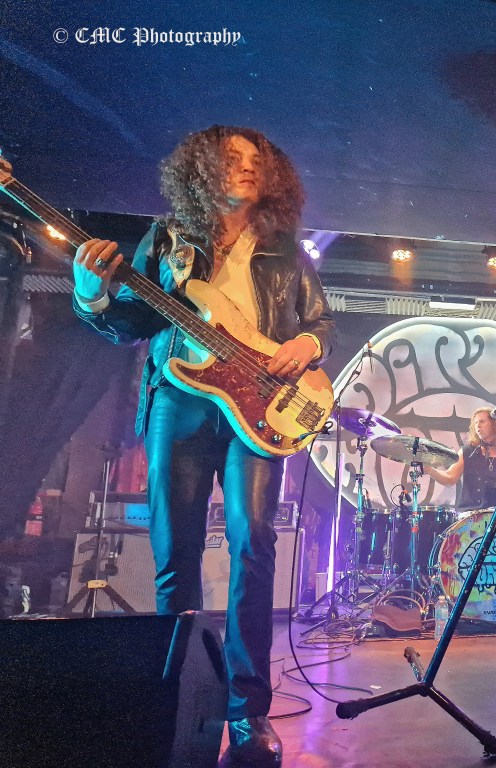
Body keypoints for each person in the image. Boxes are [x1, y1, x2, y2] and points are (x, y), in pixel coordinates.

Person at [72, 126, 335, 768]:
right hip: (180, 399)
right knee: (175, 553)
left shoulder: (283, 247)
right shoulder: (168, 239)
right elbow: (132, 321)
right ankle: (182, 701)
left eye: (255, 161)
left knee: (253, 545)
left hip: (260, 407)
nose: (247, 168)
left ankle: (248, 713)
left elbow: (321, 320)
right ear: (203, 171)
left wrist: (309, 344)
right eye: (232, 159)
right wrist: (90, 293)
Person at [423, 407, 496, 511]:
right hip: (470, 514)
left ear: (494, 425)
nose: (478, 426)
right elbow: (450, 478)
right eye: (476, 423)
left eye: (482, 421)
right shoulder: (467, 451)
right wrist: (430, 470)